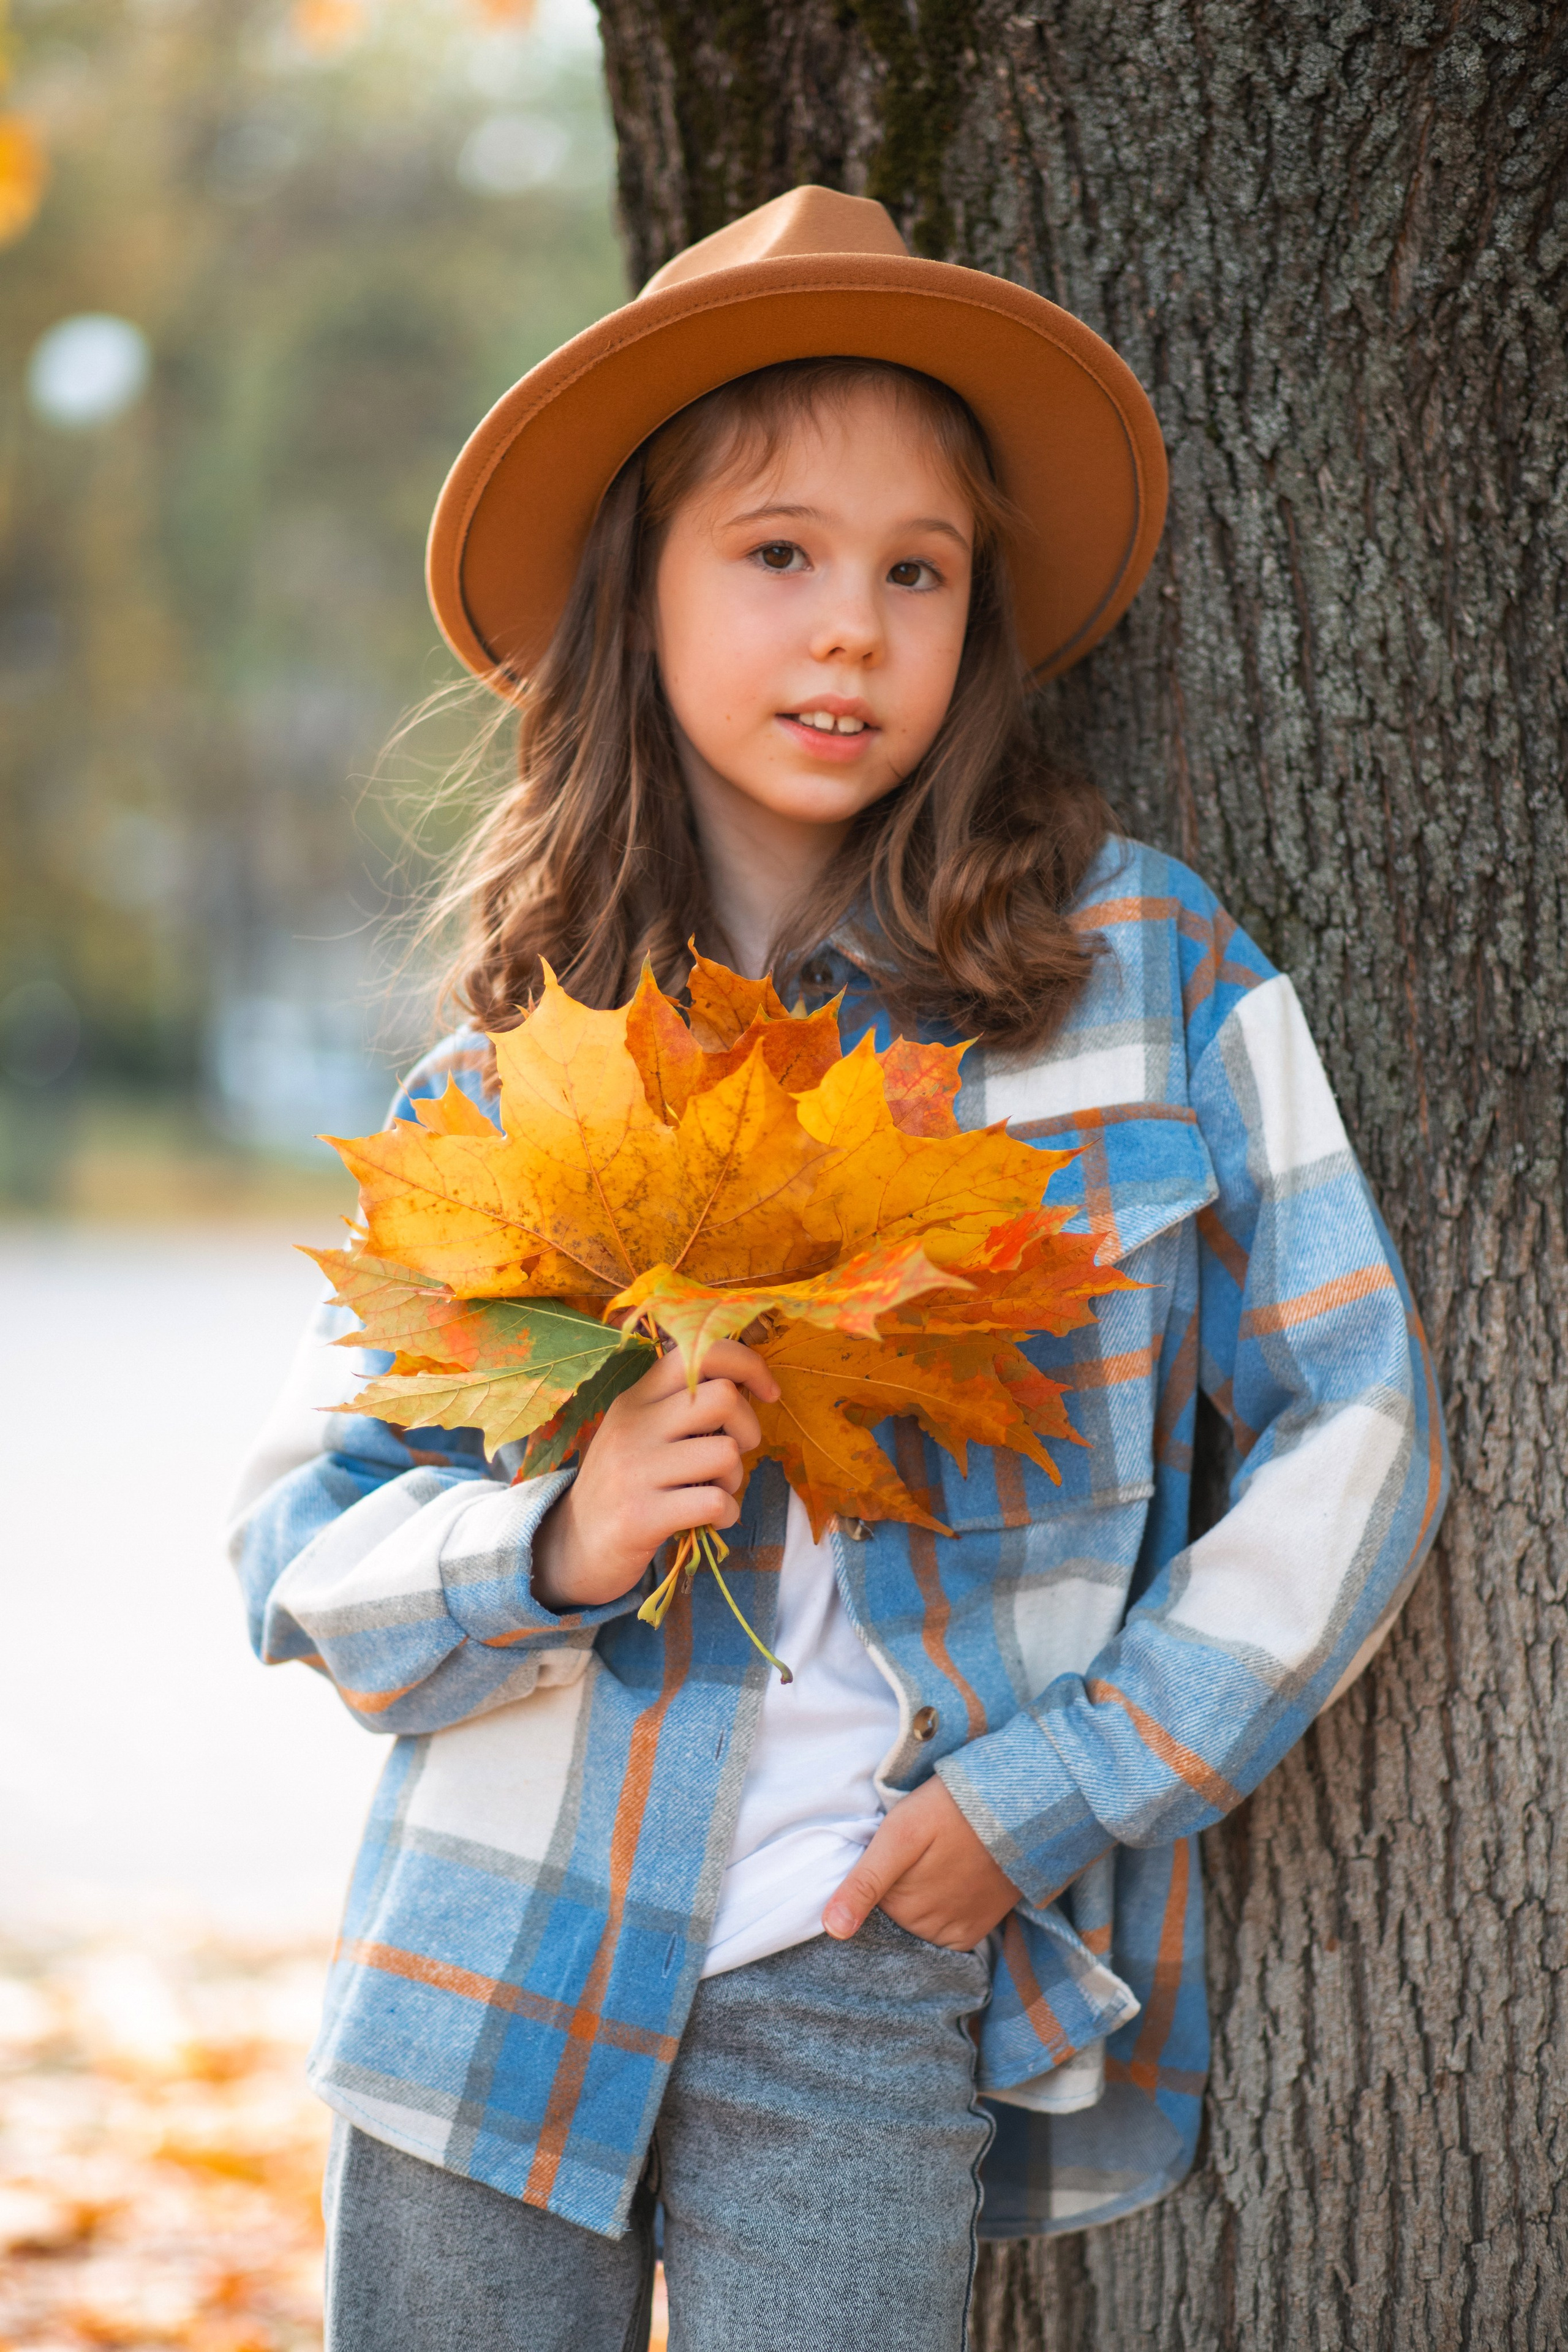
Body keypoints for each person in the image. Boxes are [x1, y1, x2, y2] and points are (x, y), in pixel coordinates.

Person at [229, 187, 1449, 2350]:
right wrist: (558, 1542)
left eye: (920, 572)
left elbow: (1356, 1410)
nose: (853, 628)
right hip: (486, 1963)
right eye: (778, 553)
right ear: (643, 589)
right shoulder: (516, 1063)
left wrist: (1069, 1783)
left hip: (880, 1950)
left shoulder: (1134, 975)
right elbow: (300, 1542)